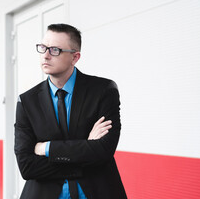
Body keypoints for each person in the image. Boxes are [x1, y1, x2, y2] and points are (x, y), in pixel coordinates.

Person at [14, 23, 127, 199]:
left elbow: (104, 150)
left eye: (55, 50)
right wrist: (86, 147)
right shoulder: (27, 101)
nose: (45, 55)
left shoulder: (104, 91)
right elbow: (26, 166)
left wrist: (47, 148)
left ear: (75, 57)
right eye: (43, 48)